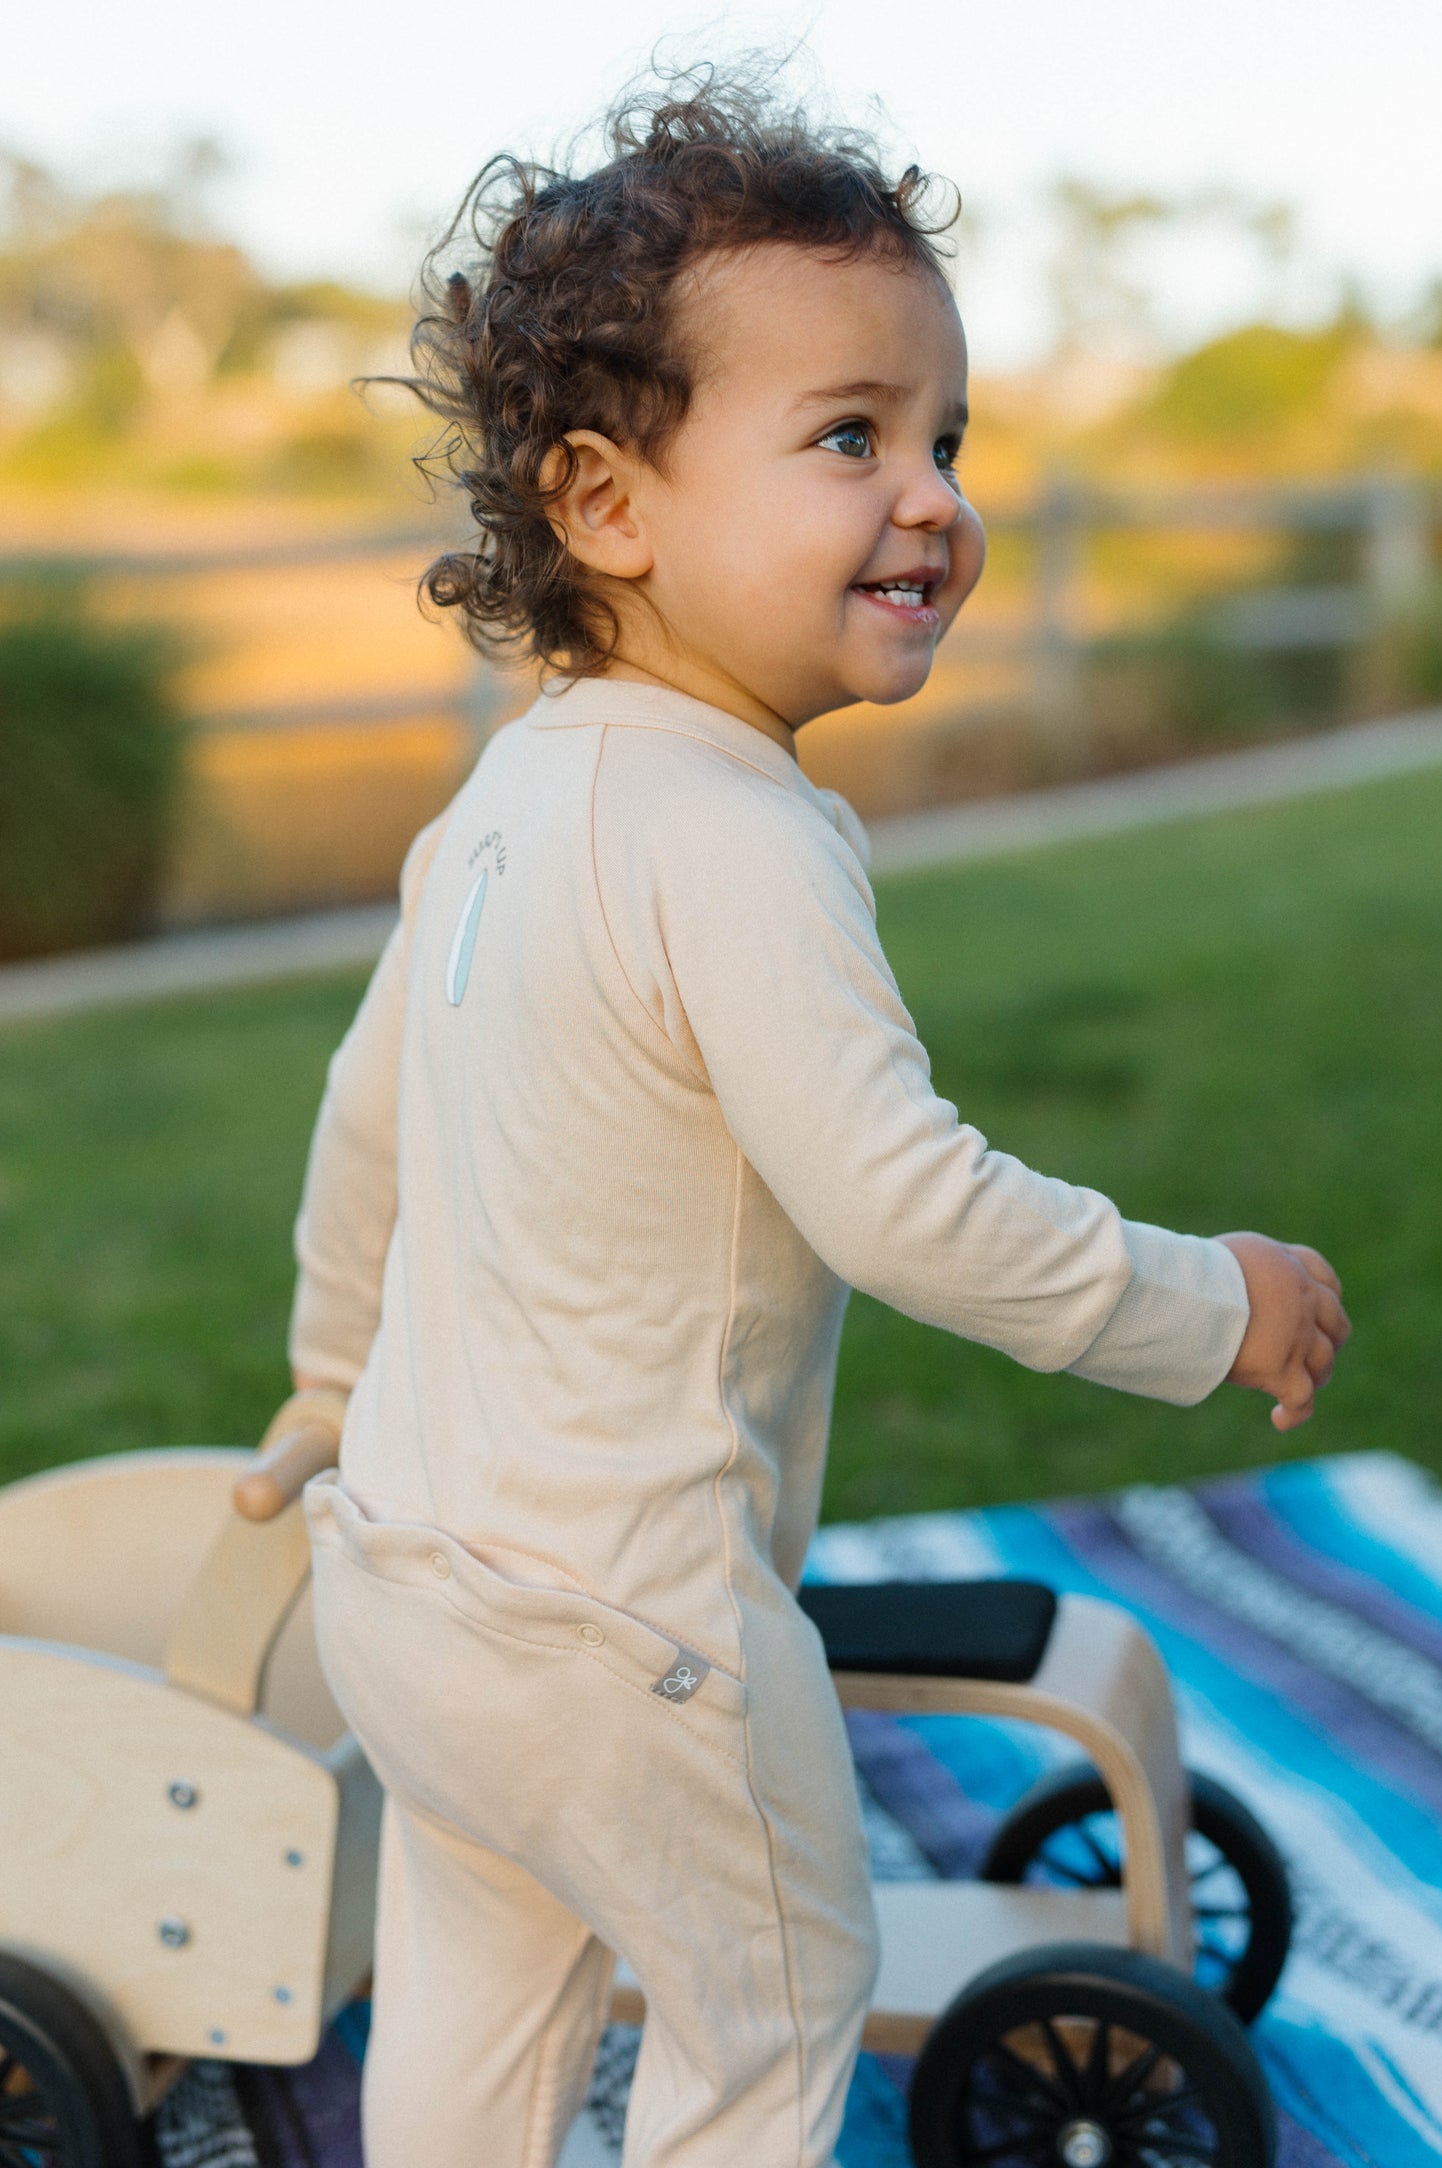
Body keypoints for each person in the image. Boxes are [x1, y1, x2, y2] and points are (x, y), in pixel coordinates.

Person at [283, 67, 1350, 2168]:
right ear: (611, 507)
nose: (932, 493)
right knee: (769, 2013)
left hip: (402, 1574)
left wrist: (334, 1380)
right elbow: (905, 1201)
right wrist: (1194, 1297)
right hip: (627, 1623)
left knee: (485, 1997)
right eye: (849, 435)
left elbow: (367, 1124)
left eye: (946, 435)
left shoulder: (504, 798)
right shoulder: (744, 832)